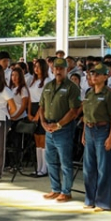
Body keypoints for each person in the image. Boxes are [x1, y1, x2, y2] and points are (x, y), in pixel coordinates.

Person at [39, 58, 82, 202]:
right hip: (48, 128)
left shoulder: (71, 87)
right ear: (52, 69)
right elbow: (42, 106)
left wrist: (58, 125)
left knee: (65, 161)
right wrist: (44, 123)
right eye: (56, 68)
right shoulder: (48, 86)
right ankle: (55, 189)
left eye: (61, 68)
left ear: (66, 70)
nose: (58, 71)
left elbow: (73, 111)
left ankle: (66, 191)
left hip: (63, 129)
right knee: (50, 160)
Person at [82, 64, 111, 211]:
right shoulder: (89, 93)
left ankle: (103, 201)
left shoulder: (109, 94)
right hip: (89, 129)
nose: (94, 77)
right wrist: (84, 133)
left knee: (103, 167)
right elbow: (86, 115)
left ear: (105, 76)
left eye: (98, 74)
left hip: (102, 130)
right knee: (89, 167)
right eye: (92, 74)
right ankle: (90, 198)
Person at [28, 59, 51, 176]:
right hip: (32, 107)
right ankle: (38, 167)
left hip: (41, 109)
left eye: (38, 66)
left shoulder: (47, 81)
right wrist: (29, 112)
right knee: (37, 140)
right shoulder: (33, 81)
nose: (36, 69)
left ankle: (44, 168)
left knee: (43, 140)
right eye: (34, 66)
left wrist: (38, 114)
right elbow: (30, 97)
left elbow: (45, 100)